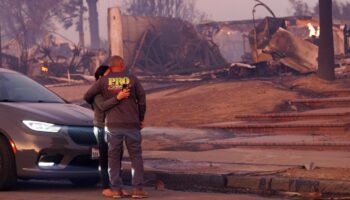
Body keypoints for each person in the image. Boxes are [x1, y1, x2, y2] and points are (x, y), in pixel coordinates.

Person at [84, 56, 148, 199]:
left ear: (111, 67)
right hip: (132, 124)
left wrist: (95, 104)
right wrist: (141, 118)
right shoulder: (132, 79)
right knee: (136, 157)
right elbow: (142, 99)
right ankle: (137, 190)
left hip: (113, 125)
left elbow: (87, 95)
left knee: (113, 157)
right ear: (122, 65)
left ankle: (116, 190)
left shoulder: (103, 82)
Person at [91, 65, 130, 198]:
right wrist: (118, 98)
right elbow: (102, 106)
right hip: (102, 127)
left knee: (117, 157)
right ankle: (106, 186)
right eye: (108, 75)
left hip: (115, 127)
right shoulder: (96, 91)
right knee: (104, 157)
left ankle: (118, 186)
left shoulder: (111, 90)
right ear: (100, 77)